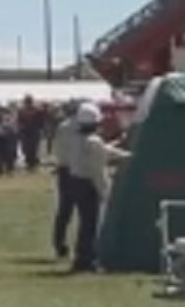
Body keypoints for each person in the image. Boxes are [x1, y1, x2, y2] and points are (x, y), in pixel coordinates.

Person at [69, 106, 128, 273]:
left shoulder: (77, 138)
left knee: (85, 223)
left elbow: (103, 150)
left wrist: (122, 151)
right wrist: (105, 190)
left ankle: (82, 258)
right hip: (88, 184)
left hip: (76, 181)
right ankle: (88, 260)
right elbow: (98, 168)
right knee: (91, 224)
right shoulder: (93, 142)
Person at [50, 103, 89, 261]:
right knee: (85, 211)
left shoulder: (62, 126)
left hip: (65, 170)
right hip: (80, 169)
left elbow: (58, 148)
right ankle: (84, 245)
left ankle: (59, 244)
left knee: (64, 210)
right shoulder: (80, 127)